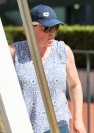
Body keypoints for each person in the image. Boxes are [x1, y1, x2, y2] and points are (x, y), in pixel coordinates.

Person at [8, 4, 86, 133]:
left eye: (55, 27)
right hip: (24, 126)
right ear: (29, 28)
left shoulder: (63, 51)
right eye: (47, 28)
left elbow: (75, 85)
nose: (53, 32)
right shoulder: (14, 52)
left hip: (58, 125)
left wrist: (78, 119)